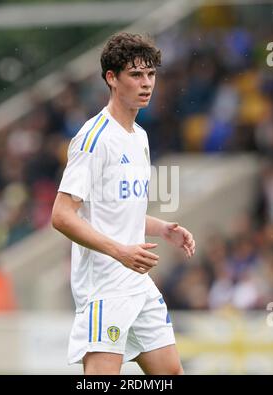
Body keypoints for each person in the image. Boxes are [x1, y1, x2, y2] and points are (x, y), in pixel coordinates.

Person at [52, 32, 195, 375]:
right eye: (136, 75)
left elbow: (116, 207)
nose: (146, 84)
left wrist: (164, 229)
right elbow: (61, 215)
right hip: (105, 286)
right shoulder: (93, 138)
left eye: (151, 75)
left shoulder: (139, 136)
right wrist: (120, 252)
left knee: (170, 372)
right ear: (111, 78)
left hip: (136, 280)